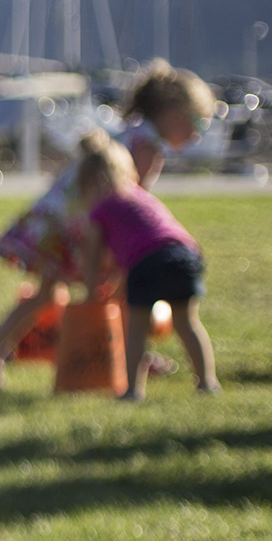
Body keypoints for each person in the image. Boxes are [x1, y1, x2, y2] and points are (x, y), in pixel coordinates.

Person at [0, 61, 215, 386]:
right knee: (123, 293)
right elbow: (129, 205)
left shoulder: (133, 134)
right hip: (84, 224)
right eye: (196, 121)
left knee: (45, 294)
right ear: (171, 112)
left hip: (59, 217)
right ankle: (131, 357)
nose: (197, 133)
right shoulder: (147, 148)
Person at [71, 128, 216, 400]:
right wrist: (117, 286)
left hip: (148, 262)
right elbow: (138, 247)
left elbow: (94, 259)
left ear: (88, 183)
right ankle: (207, 383)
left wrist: (91, 296)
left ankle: (132, 391)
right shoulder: (138, 196)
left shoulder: (101, 208)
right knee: (187, 323)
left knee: (136, 327)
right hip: (186, 255)